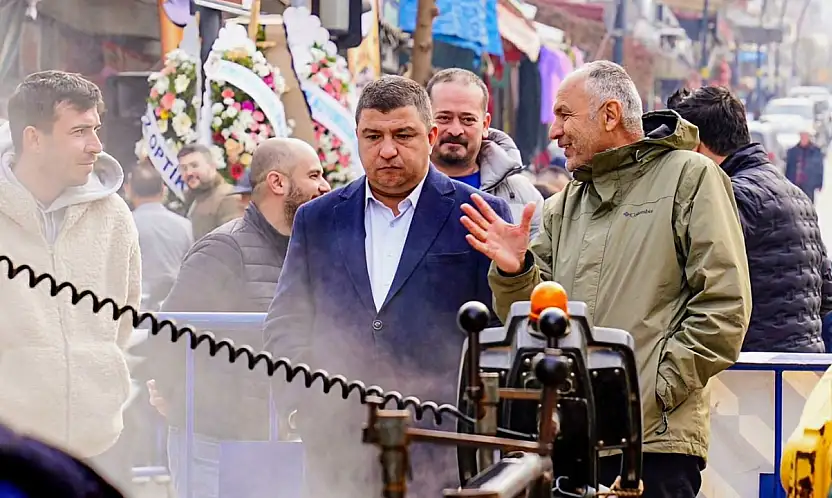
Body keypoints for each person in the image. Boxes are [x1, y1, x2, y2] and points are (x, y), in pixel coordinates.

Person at [461, 61, 751, 498]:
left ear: (610, 115)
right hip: (570, 442)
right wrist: (515, 270)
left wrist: (643, 391)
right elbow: (535, 322)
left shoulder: (691, 177)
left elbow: (725, 308)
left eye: (564, 115)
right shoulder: (562, 205)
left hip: (656, 444)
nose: (554, 132)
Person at [263, 75, 512, 498]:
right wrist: (302, 407)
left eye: (404, 134)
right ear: (357, 137)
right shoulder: (318, 218)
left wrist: (514, 271)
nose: (388, 150)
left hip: (443, 447)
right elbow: (287, 321)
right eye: (373, 136)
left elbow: (502, 328)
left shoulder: (480, 214)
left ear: (430, 136)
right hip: (337, 447)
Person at [139, 138, 330, 498]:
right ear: (278, 183)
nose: (325, 186)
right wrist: (179, 399)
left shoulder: (309, 250)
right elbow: (169, 334)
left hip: (278, 440)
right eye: (315, 175)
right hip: (216, 444)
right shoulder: (224, 249)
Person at [0, 71, 140, 483]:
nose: (96, 146)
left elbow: (124, 318)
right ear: (34, 139)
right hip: (11, 454)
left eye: (95, 129)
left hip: (98, 446)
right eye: (79, 131)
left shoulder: (115, 215)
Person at [667, 86, 832, 353]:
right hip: (801, 373)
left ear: (696, 147)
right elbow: (826, 292)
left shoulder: (726, 197)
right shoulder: (796, 194)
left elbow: (687, 289)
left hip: (748, 375)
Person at [426, 68, 544, 237]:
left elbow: (544, 259)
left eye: (468, 120)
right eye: (444, 118)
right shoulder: (401, 187)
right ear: (425, 120)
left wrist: (519, 262)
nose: (456, 130)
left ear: (485, 125)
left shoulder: (521, 195)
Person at [125, 161, 193, 311]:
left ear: (128, 190)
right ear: (163, 190)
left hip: (134, 311)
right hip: (174, 310)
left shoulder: (122, 226)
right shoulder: (185, 226)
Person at [177, 143, 245, 240]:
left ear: (212, 166)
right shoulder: (189, 198)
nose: (189, 173)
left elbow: (234, 243)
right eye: (184, 168)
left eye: (194, 165)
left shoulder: (228, 196)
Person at [784, 128, 825, 202]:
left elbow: (819, 168)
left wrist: (820, 183)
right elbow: (788, 168)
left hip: (809, 184)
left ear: (809, 137)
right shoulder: (792, 151)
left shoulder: (815, 151)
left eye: (805, 136)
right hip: (795, 184)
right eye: (802, 136)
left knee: (808, 205)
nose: (804, 138)